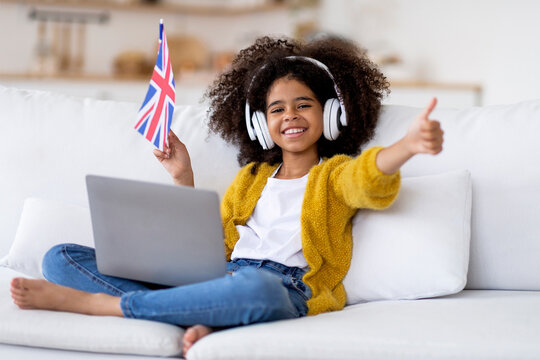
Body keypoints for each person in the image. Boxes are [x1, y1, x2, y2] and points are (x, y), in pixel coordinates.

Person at [10, 35, 443, 355]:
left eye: (304, 104)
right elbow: (209, 246)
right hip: (219, 276)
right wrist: (184, 175)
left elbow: (367, 179)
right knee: (59, 257)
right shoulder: (252, 178)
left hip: (282, 286)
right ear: (260, 125)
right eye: (277, 109)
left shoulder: (334, 175)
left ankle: (106, 306)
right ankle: (206, 312)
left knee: (259, 291)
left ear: (331, 114)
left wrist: (407, 145)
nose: (290, 115)